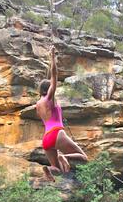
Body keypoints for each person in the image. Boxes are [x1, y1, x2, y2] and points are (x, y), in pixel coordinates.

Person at [36, 46, 88, 181]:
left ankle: (48, 169)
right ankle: (64, 156)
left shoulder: (38, 104)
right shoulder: (49, 99)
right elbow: (54, 76)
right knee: (84, 157)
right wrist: (53, 57)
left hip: (46, 139)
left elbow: (48, 80)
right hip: (57, 133)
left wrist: (49, 59)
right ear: (49, 90)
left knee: (57, 169)